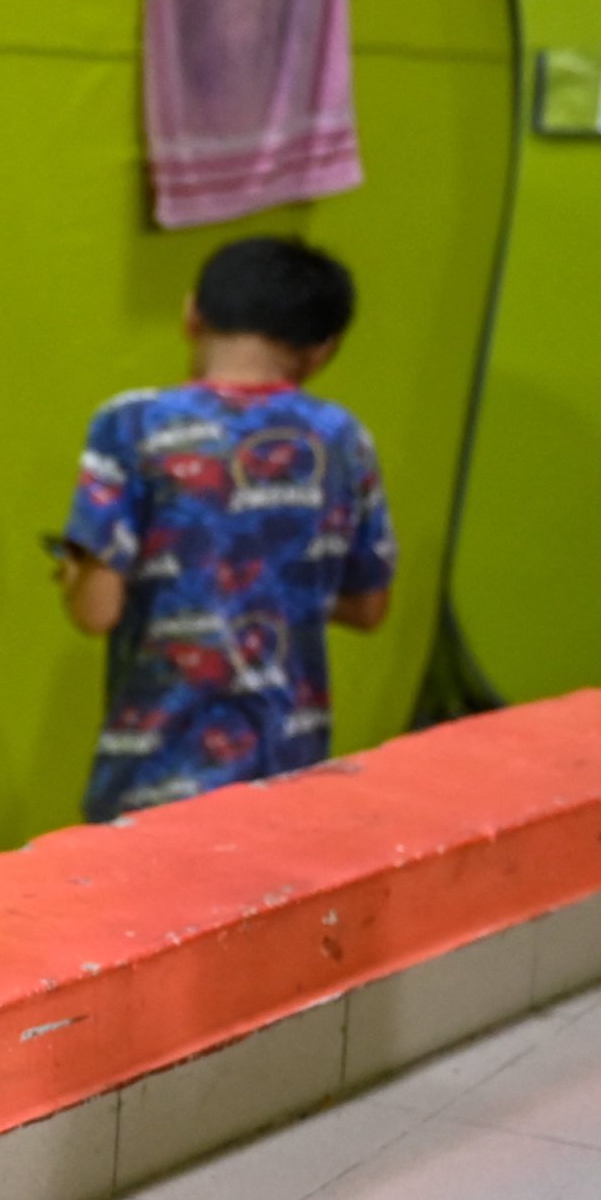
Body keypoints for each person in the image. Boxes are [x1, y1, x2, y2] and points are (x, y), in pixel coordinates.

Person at [59, 235, 393, 821]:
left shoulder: (131, 424)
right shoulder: (343, 438)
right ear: (322, 349)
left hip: (154, 772)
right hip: (289, 770)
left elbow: (96, 610)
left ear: (192, 313)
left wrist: (73, 569)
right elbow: (369, 607)